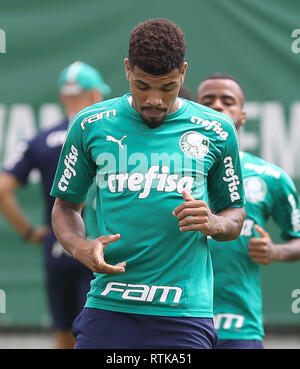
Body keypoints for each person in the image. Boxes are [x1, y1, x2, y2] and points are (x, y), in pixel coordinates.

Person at [50, 18, 245, 349]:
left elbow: (235, 215)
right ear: (127, 69)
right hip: (109, 304)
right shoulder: (90, 125)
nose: (154, 99)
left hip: (184, 312)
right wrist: (79, 245)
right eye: (142, 86)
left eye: (167, 87)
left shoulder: (217, 129)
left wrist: (213, 222)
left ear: (183, 72)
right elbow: (66, 206)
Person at [0, 61, 111, 349]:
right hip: (98, 250)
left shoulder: (39, 140)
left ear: (63, 97)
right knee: (99, 335)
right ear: (96, 96)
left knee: (62, 334)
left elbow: (2, 189)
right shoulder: (107, 138)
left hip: (57, 247)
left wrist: (30, 232)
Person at [196, 73, 300, 349]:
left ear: (242, 116)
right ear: (194, 111)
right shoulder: (170, 172)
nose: (217, 105)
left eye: (227, 101)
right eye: (208, 100)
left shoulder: (271, 177)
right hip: (182, 318)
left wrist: (275, 251)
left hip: (239, 325)